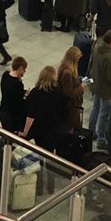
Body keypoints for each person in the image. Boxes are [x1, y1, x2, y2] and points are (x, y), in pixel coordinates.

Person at [21, 66, 63, 195]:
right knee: (50, 157)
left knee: (37, 156)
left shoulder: (35, 92)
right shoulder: (57, 91)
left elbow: (31, 115)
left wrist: (25, 132)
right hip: (53, 128)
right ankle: (50, 186)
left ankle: (38, 187)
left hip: (39, 130)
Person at [0, 56, 28, 132]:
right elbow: (18, 103)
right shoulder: (18, 84)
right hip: (11, 116)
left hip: (2, 111)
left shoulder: (5, 75)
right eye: (24, 69)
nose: (24, 71)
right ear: (20, 68)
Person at [58, 46, 84, 129]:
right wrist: (81, 87)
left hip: (71, 106)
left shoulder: (66, 69)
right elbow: (69, 92)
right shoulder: (67, 73)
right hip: (70, 107)